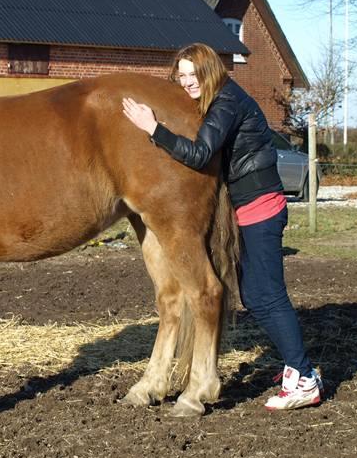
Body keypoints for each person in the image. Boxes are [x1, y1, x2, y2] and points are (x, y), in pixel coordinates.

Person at [122, 43, 322, 411]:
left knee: (267, 296)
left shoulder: (227, 102)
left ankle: (304, 375)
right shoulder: (222, 99)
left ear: (209, 71)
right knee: (256, 294)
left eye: (192, 74)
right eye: (179, 76)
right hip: (250, 209)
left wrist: (153, 127)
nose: (186, 82)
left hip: (262, 208)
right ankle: (297, 368)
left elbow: (199, 154)